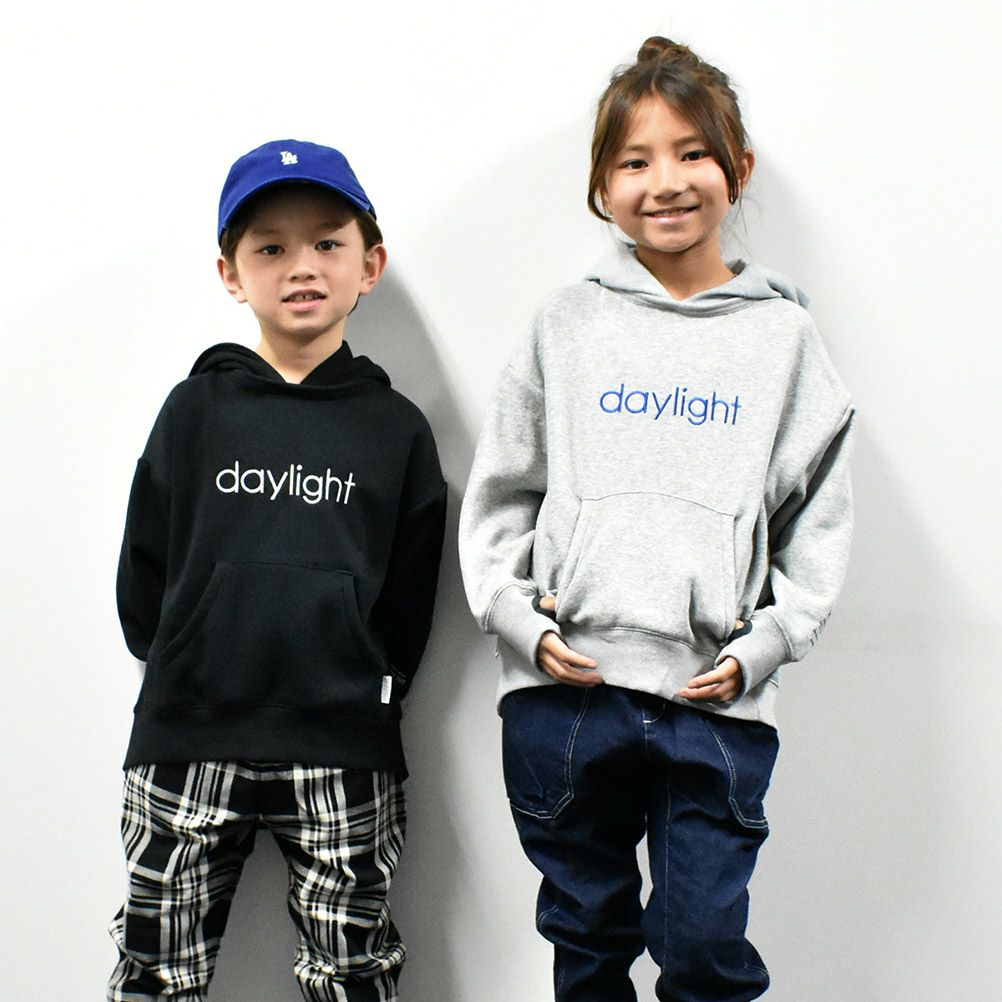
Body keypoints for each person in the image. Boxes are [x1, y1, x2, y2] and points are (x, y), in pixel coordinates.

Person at [458, 37, 854, 1002]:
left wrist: (769, 642)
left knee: (703, 947)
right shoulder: (565, 322)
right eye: (634, 161)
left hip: (712, 704)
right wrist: (516, 617)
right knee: (587, 941)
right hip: (567, 697)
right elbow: (502, 488)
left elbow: (818, 515)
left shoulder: (785, 339)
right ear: (602, 185)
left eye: (692, 153)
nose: (665, 181)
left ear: (738, 167)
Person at [109, 139, 447, 1002]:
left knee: (351, 971)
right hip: (189, 737)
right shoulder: (193, 411)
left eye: (328, 242)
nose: (302, 266)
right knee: (157, 968)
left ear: (369, 265)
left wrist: (367, 684)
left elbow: (411, 601)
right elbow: (143, 573)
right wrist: (185, 656)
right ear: (231, 274)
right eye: (271, 247)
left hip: (343, 747)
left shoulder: (398, 429)